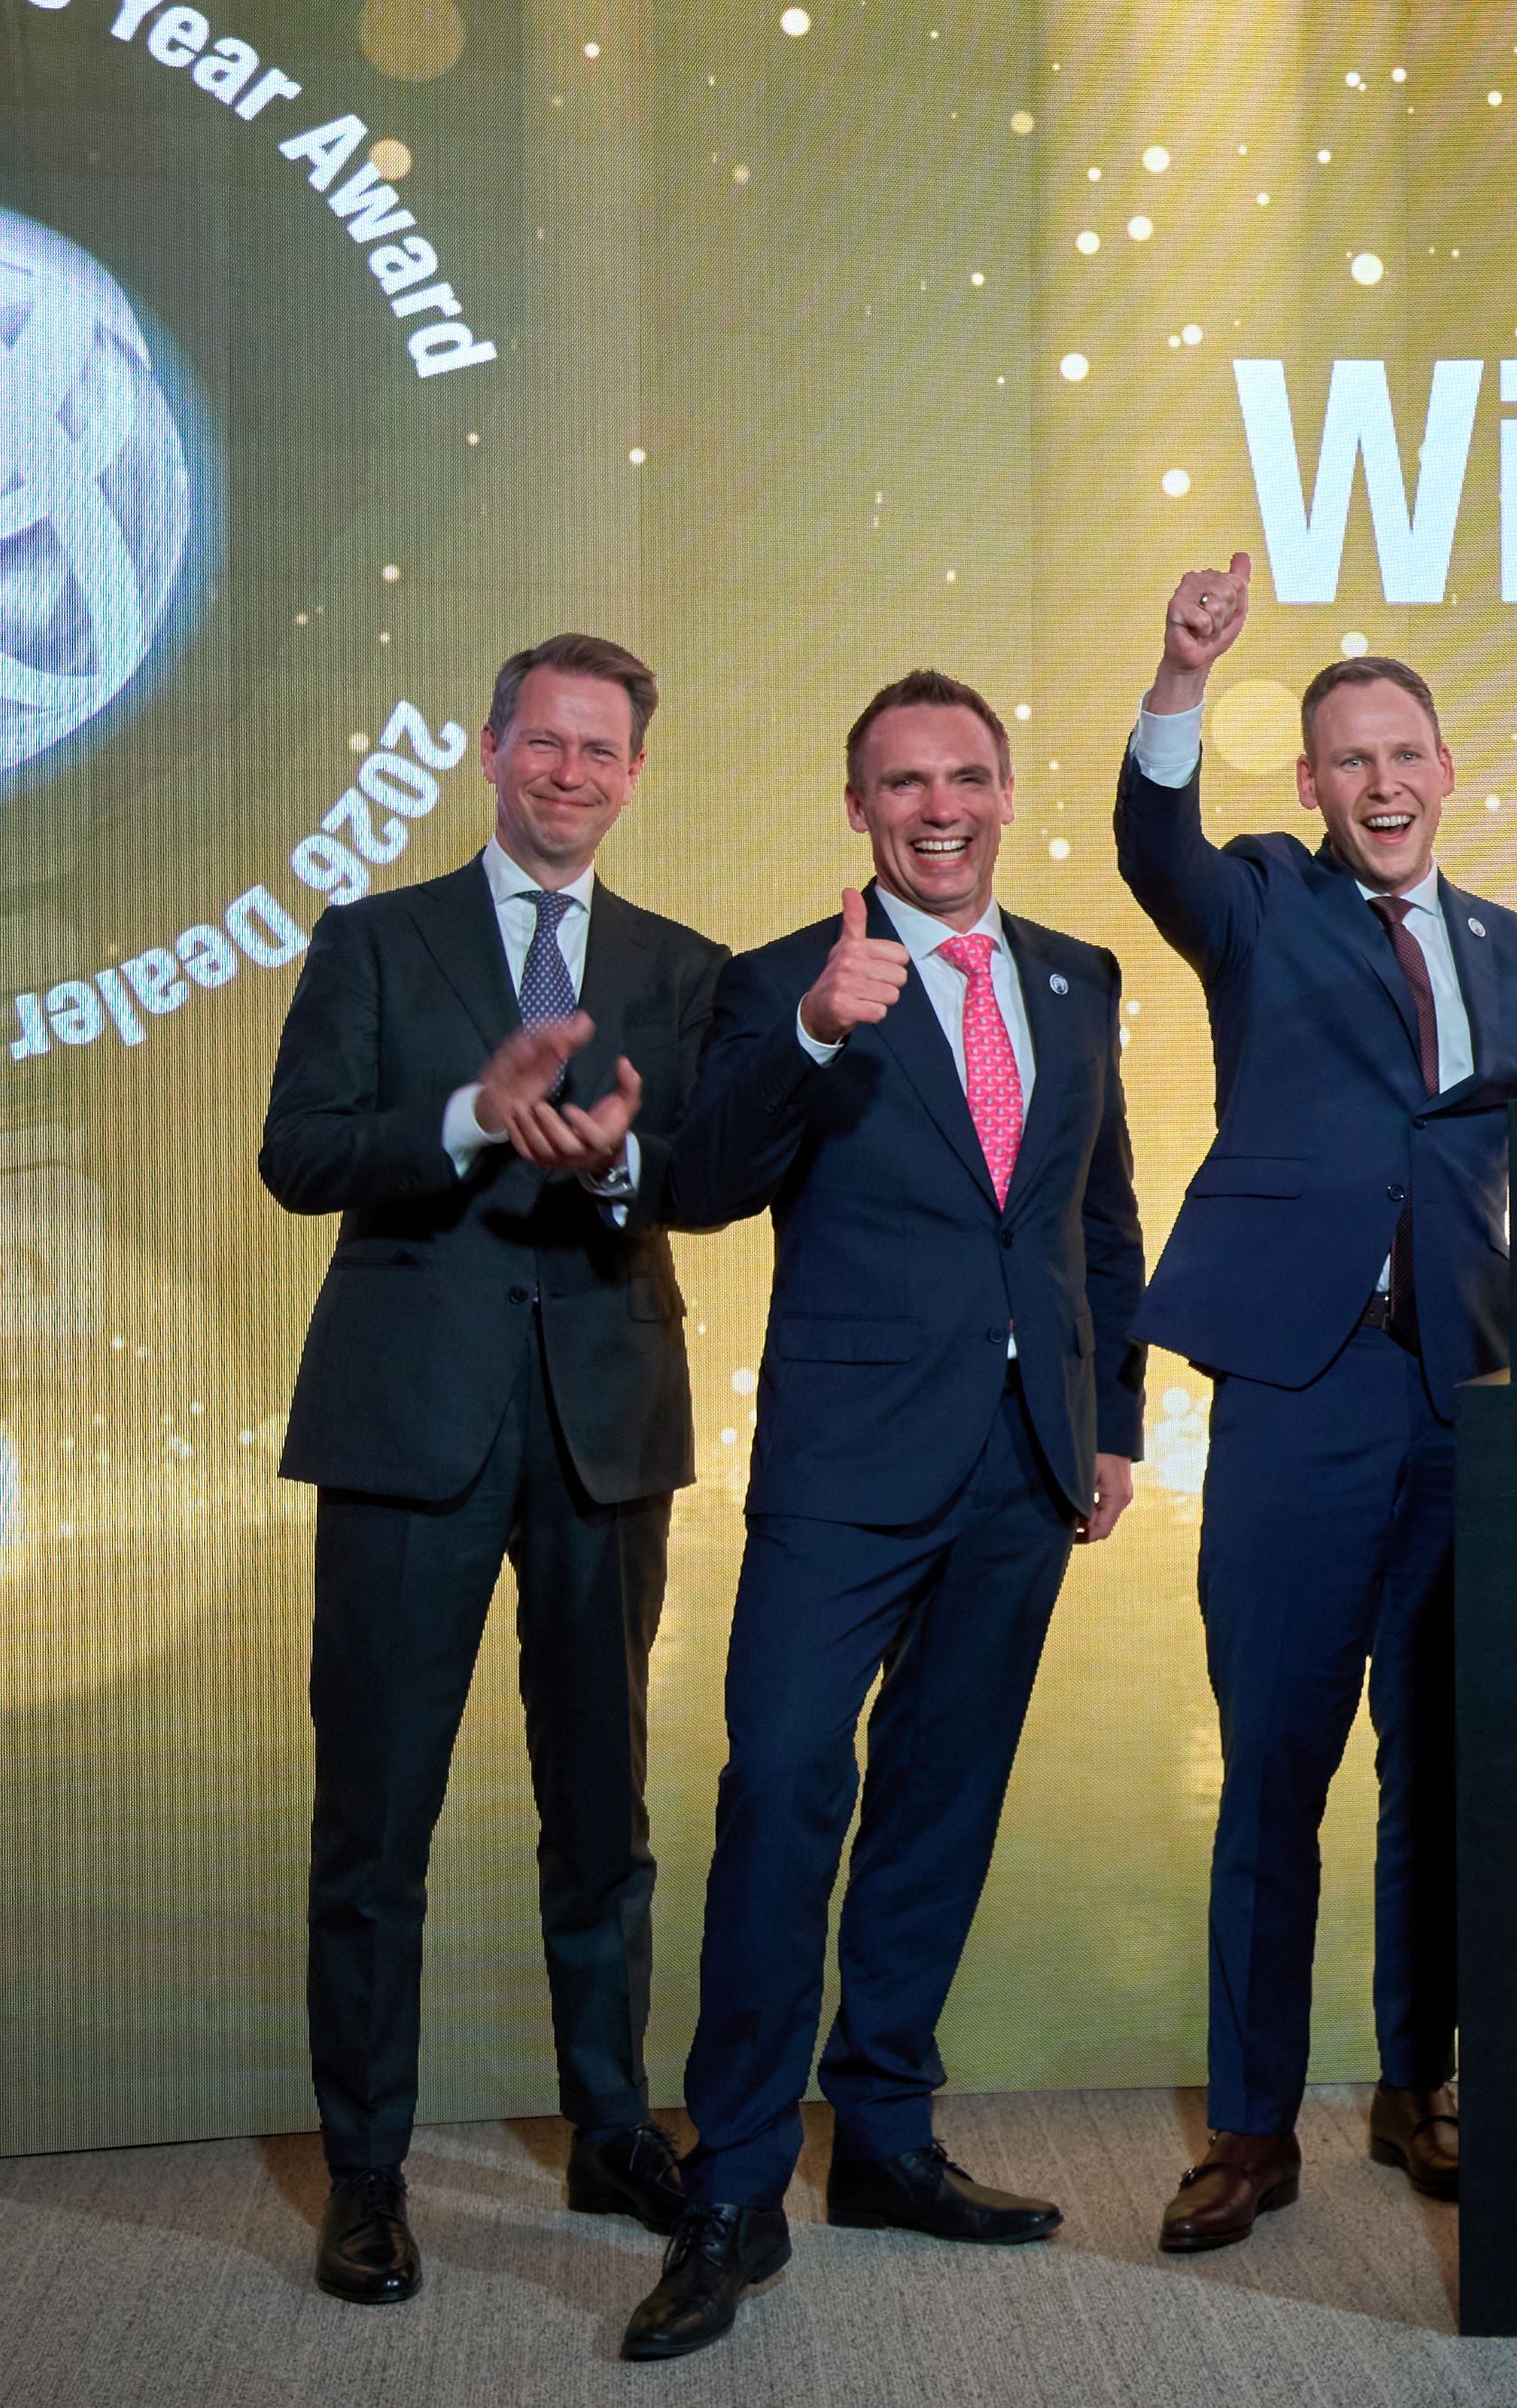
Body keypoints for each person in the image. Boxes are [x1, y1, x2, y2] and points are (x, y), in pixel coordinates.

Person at [621, 671, 1145, 2359]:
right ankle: (734, 2188)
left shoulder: (1076, 974)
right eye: (905, 784)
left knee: (941, 1797)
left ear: (1006, 792)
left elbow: (1099, 1214)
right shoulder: (782, 978)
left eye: (966, 777)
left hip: (1025, 1461)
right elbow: (702, 1188)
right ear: (858, 809)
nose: (940, 808)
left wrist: (1113, 1422)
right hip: (846, 1465)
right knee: (783, 1786)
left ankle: (887, 2139)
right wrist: (812, 1035)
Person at [258, 635, 724, 2306]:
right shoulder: (373, 940)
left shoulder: (682, 967)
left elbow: (709, 1172)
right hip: (410, 1426)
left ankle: (612, 2127)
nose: (570, 773)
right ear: (489, 750)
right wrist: (469, 1116)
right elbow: (298, 1154)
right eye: (545, 742)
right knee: (374, 1819)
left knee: (603, 1813)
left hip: (605, 1428)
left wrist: (620, 1167)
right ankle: (367, 2174)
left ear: (634, 775)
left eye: (601, 751)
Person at [1113, 559, 1517, 2251]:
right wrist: (1181, 674)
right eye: (1350, 760)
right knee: (1276, 1765)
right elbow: (1152, 843)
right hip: (1300, 1389)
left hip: (1466, 1398)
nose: (1383, 784)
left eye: (1406, 755)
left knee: (1444, 1768)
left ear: (1449, 770)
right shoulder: (1255, 897)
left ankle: (1418, 2084)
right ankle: (1250, 2129)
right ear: (1310, 782)